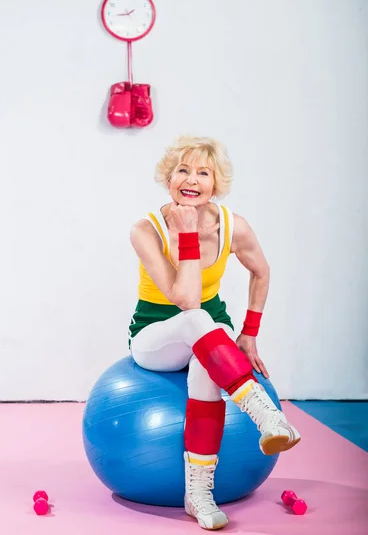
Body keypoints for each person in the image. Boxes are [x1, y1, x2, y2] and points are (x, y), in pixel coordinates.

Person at [128, 135, 300, 531]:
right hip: (155, 338)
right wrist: (187, 232)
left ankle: (198, 494)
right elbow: (187, 301)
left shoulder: (231, 226)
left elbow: (262, 270)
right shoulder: (145, 231)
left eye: (202, 172)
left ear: (215, 183)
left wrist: (250, 334)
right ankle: (266, 416)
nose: (191, 179)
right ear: (168, 179)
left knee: (206, 363)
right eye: (182, 171)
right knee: (196, 319)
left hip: (210, 338)